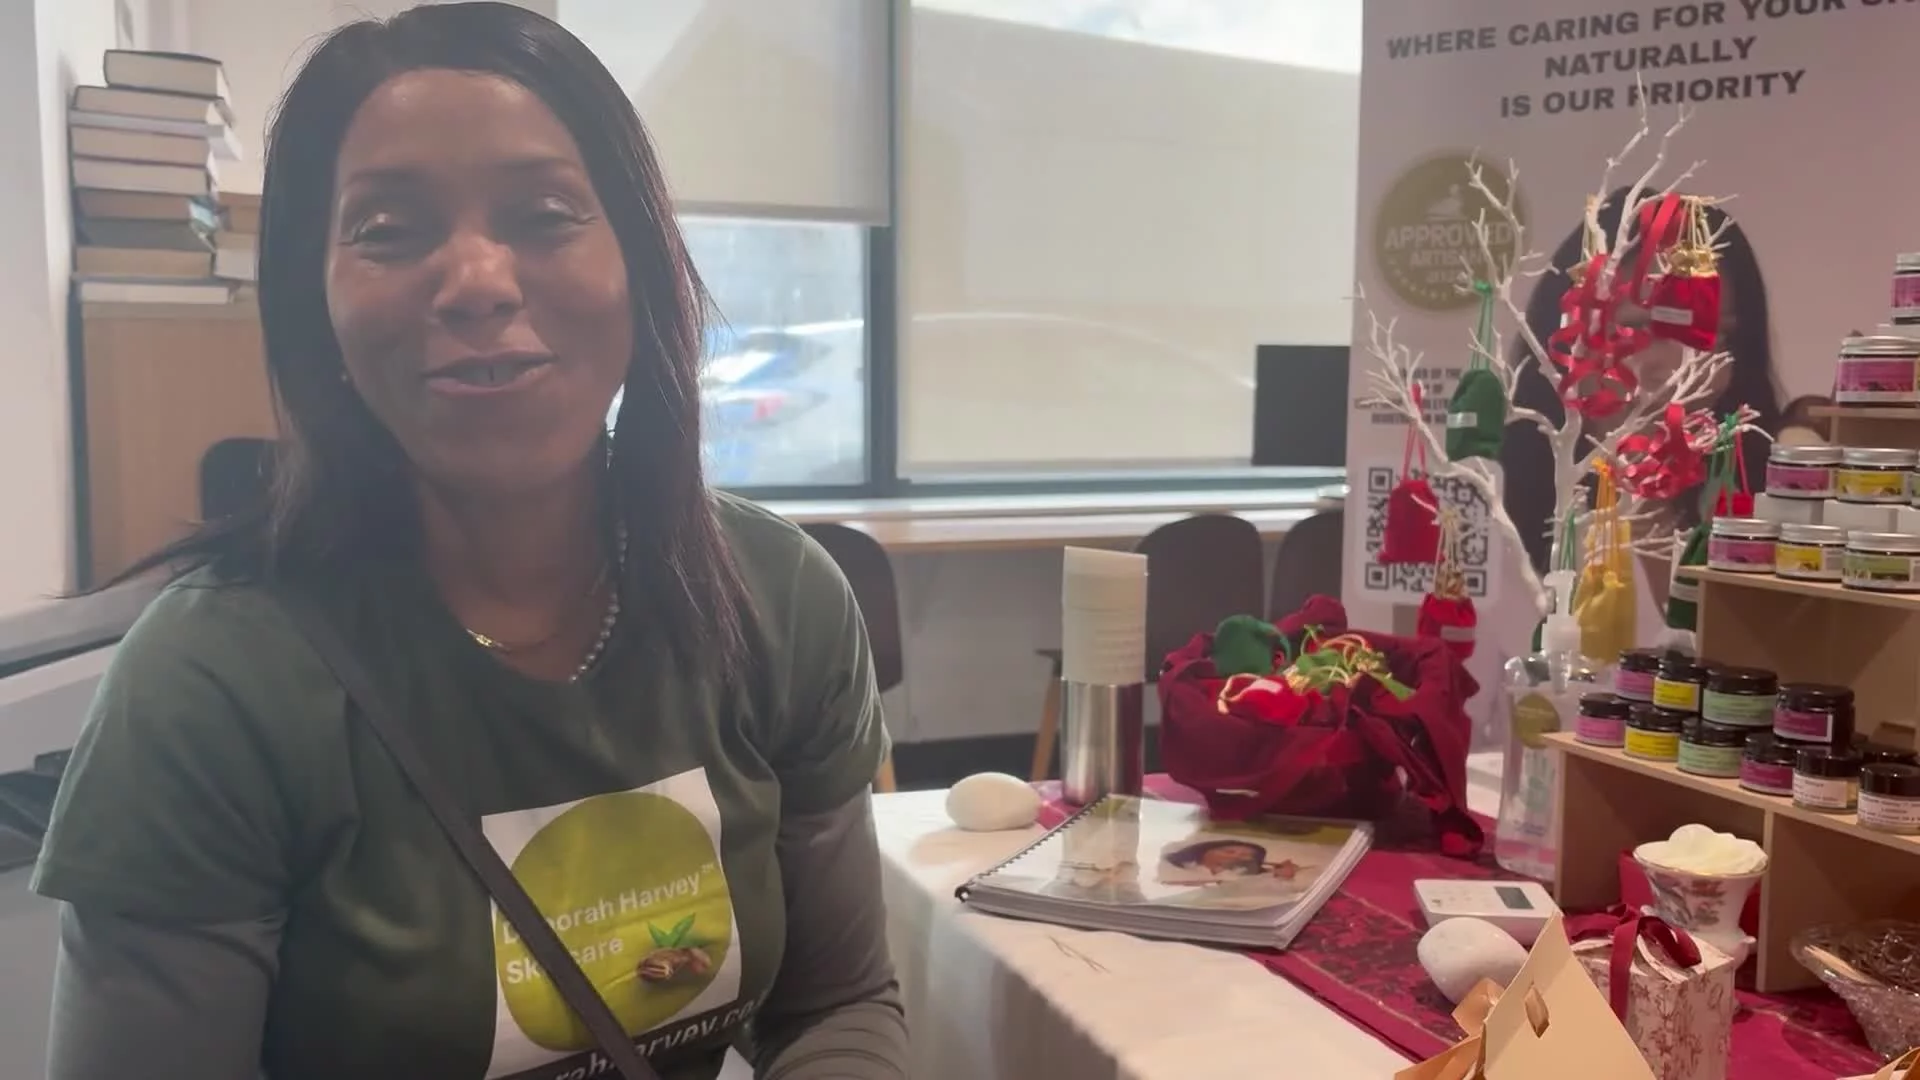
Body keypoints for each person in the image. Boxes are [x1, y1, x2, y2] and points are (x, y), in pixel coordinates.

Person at [31, 5, 906, 1079]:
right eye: (388, 230)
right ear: (317, 303)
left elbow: (836, 1002)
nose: (480, 282)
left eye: (545, 214)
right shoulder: (210, 688)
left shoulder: (777, 597)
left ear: (640, 265)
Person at [1501, 190, 1782, 577]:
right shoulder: (1490, 511)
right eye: (1640, 328)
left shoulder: (1765, 509)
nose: (1686, 369)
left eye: (1718, 339)